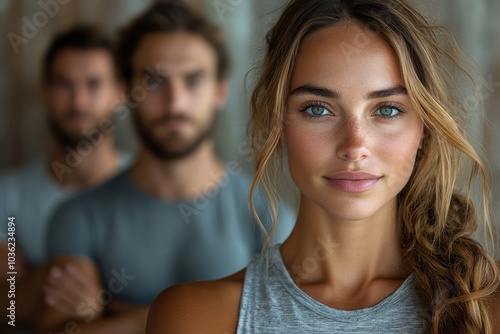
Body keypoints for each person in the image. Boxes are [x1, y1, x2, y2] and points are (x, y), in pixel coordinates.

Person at [147, 0, 500, 333]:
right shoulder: (196, 317)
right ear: (277, 121)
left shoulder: (486, 306)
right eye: (318, 109)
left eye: (387, 109)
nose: (354, 146)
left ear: (424, 127)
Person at [37, 2, 294, 334]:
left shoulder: (267, 215)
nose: (175, 102)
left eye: (193, 80)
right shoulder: (77, 218)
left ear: (219, 91)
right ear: (128, 91)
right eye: (154, 81)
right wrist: (220, 316)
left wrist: (120, 319)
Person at [0, 26, 130, 330]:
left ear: (121, 92)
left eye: (94, 84)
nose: (78, 102)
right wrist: (52, 281)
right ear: (45, 91)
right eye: (64, 84)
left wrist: (98, 304)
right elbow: (5, 310)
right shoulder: (7, 196)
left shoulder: (151, 187)